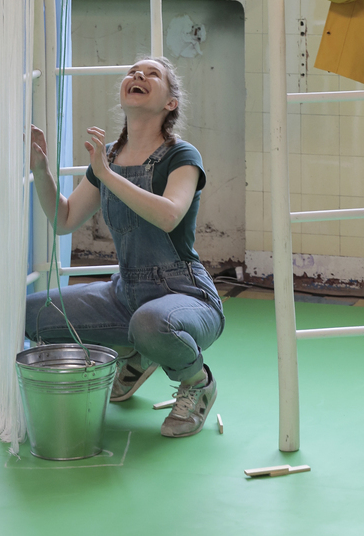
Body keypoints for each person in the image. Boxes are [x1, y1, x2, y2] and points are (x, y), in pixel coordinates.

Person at [26, 56, 224, 439]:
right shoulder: (110, 156)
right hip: (125, 293)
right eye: (134, 71)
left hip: (184, 294)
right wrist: (40, 169)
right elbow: (64, 219)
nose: (138, 75)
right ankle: (135, 355)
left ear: (170, 103)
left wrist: (106, 175)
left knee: (149, 324)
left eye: (152, 74)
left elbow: (169, 215)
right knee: (31, 315)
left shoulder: (182, 156)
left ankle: (196, 382)